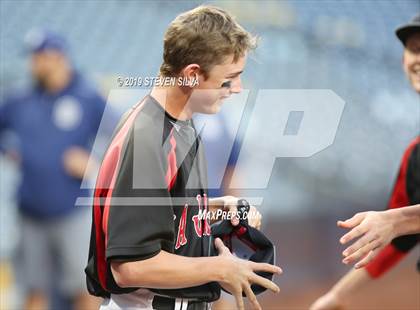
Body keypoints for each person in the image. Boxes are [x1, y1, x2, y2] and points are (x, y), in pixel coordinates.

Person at [85, 5, 281, 310]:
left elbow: (165, 212)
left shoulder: (178, 121)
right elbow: (130, 267)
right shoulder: (151, 137)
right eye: (229, 78)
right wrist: (219, 269)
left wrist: (217, 206)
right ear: (192, 75)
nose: (237, 88)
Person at [310, 14, 420, 310]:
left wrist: (395, 221)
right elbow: (397, 241)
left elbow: (396, 225)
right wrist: (337, 296)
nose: (417, 58)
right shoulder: (415, 155)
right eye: (413, 48)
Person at [0, 30, 105, 310]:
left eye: (40, 57)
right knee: (34, 291)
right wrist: (8, 150)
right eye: (33, 58)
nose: (34, 64)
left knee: (85, 288)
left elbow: (122, 137)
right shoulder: (19, 99)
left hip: (72, 213)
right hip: (30, 213)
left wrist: (94, 161)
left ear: (59, 56)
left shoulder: (86, 96)